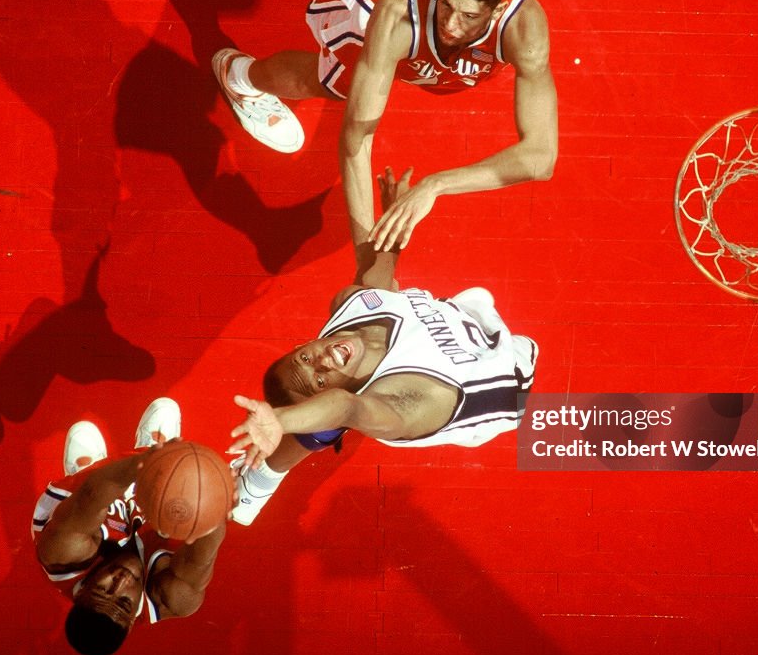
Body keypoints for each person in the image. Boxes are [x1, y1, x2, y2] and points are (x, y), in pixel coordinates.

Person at [225, 167, 537, 525]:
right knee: (339, 414)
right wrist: (280, 420)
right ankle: (258, 484)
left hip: (468, 319)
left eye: (306, 357)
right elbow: (345, 407)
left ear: (305, 343)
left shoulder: (355, 304)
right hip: (509, 382)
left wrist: (392, 207)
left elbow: (381, 256)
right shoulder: (403, 403)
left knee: (368, 309)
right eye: (320, 380)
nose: (322, 362)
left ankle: (260, 480)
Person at [212, 0, 556, 252]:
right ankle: (239, 76)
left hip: (434, 45)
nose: (451, 25)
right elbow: (356, 138)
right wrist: (366, 256)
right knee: (334, 84)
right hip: (373, 18)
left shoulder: (524, 29)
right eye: (447, 5)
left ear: (497, 11)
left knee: (436, 58)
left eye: (468, 17)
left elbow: (540, 158)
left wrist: (434, 185)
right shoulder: (395, 15)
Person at [31, 398, 231, 655]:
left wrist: (154, 459)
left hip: (84, 504)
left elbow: (90, 494)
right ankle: (152, 481)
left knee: (93, 497)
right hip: (150, 523)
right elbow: (204, 551)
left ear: (80, 594)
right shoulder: (173, 599)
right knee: (186, 514)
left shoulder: (61, 556)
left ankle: (92, 467)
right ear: (132, 620)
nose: (121, 582)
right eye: (125, 602)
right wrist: (214, 500)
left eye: (103, 589)